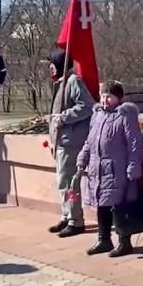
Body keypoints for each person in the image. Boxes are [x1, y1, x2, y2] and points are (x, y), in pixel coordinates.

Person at [77, 81, 143, 257]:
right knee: (102, 205)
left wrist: (133, 166)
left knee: (119, 206)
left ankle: (124, 241)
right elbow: (89, 141)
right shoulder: (97, 115)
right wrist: (82, 159)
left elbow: (135, 143)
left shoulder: (125, 115)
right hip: (97, 169)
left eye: (109, 96)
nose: (105, 100)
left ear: (118, 98)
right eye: (103, 95)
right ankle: (103, 239)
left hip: (117, 169)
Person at [47, 49, 95, 238]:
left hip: (71, 142)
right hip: (60, 142)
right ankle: (67, 214)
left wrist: (63, 117)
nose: (50, 68)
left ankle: (76, 220)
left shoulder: (73, 81)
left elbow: (87, 106)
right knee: (62, 182)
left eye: (51, 64)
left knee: (70, 182)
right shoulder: (59, 83)